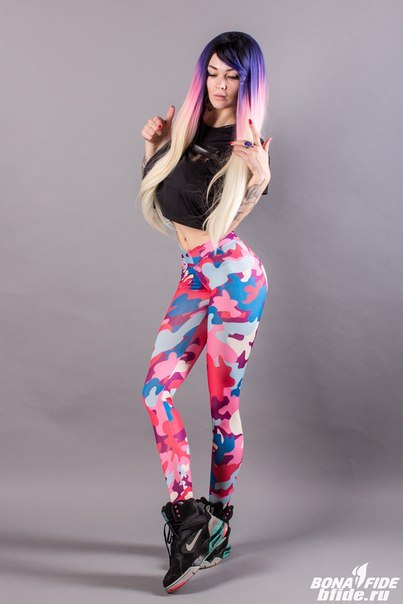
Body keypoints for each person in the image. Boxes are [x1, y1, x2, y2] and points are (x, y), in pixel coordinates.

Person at [138, 31, 272, 593]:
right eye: (214, 72)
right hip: (194, 276)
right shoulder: (186, 129)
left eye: (232, 76)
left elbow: (222, 223)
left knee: (223, 406)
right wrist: (155, 149)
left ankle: (219, 524)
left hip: (235, 279)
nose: (220, 85)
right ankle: (188, 518)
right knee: (156, 391)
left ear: (248, 82)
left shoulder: (247, 145)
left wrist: (260, 180)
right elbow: (166, 198)